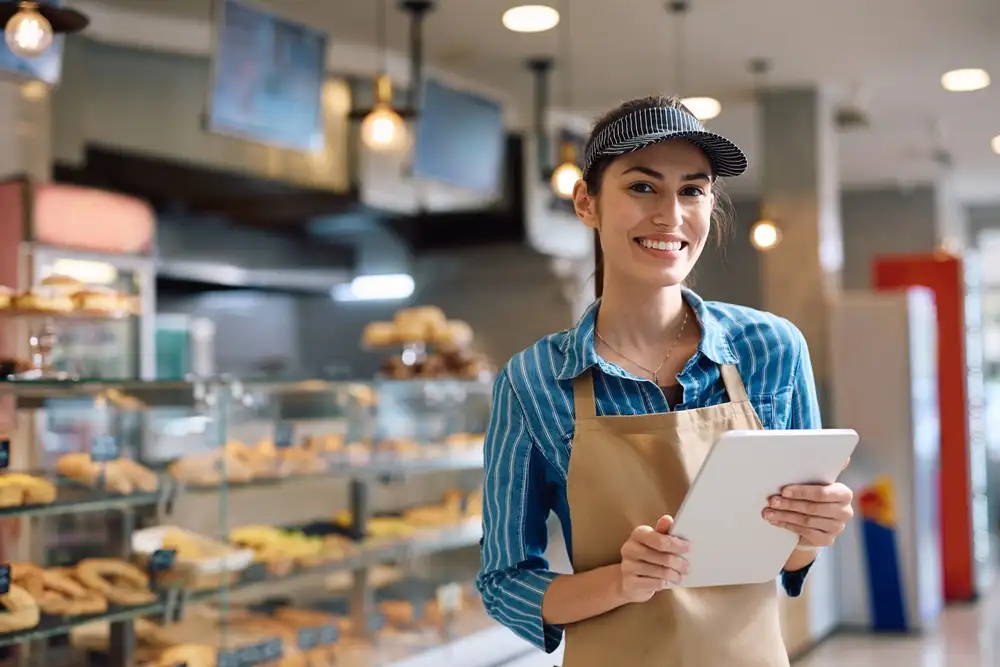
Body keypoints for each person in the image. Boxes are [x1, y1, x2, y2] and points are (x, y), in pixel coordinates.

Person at [476, 95, 854, 666]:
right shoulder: (533, 382)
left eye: (692, 190)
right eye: (642, 187)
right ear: (587, 203)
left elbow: (788, 560)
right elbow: (504, 582)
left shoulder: (772, 350)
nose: (671, 216)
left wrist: (811, 532)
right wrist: (622, 582)